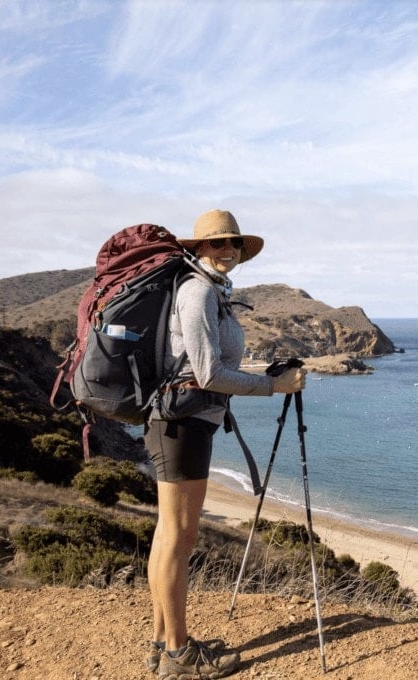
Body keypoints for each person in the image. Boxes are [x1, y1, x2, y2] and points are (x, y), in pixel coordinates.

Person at [144, 209, 306, 679]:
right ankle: (178, 654)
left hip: (185, 421)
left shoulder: (211, 291)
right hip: (182, 424)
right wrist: (276, 387)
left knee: (168, 535)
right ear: (198, 248)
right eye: (217, 243)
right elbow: (209, 374)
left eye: (233, 243)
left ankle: (162, 642)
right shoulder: (196, 293)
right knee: (179, 537)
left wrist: (263, 376)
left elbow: (207, 370)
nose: (228, 251)